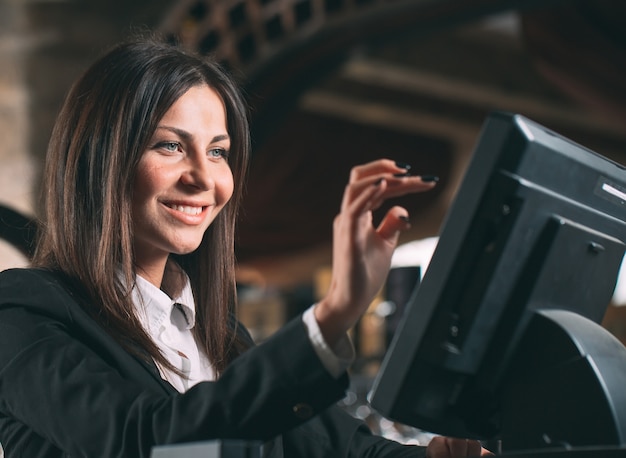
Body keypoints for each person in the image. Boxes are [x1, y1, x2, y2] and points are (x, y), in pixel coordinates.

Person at [0, 38, 491, 457]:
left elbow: (341, 451)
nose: (204, 178)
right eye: (169, 145)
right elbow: (152, 439)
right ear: (98, 162)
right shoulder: (24, 312)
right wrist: (333, 315)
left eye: (218, 152)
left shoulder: (221, 336)